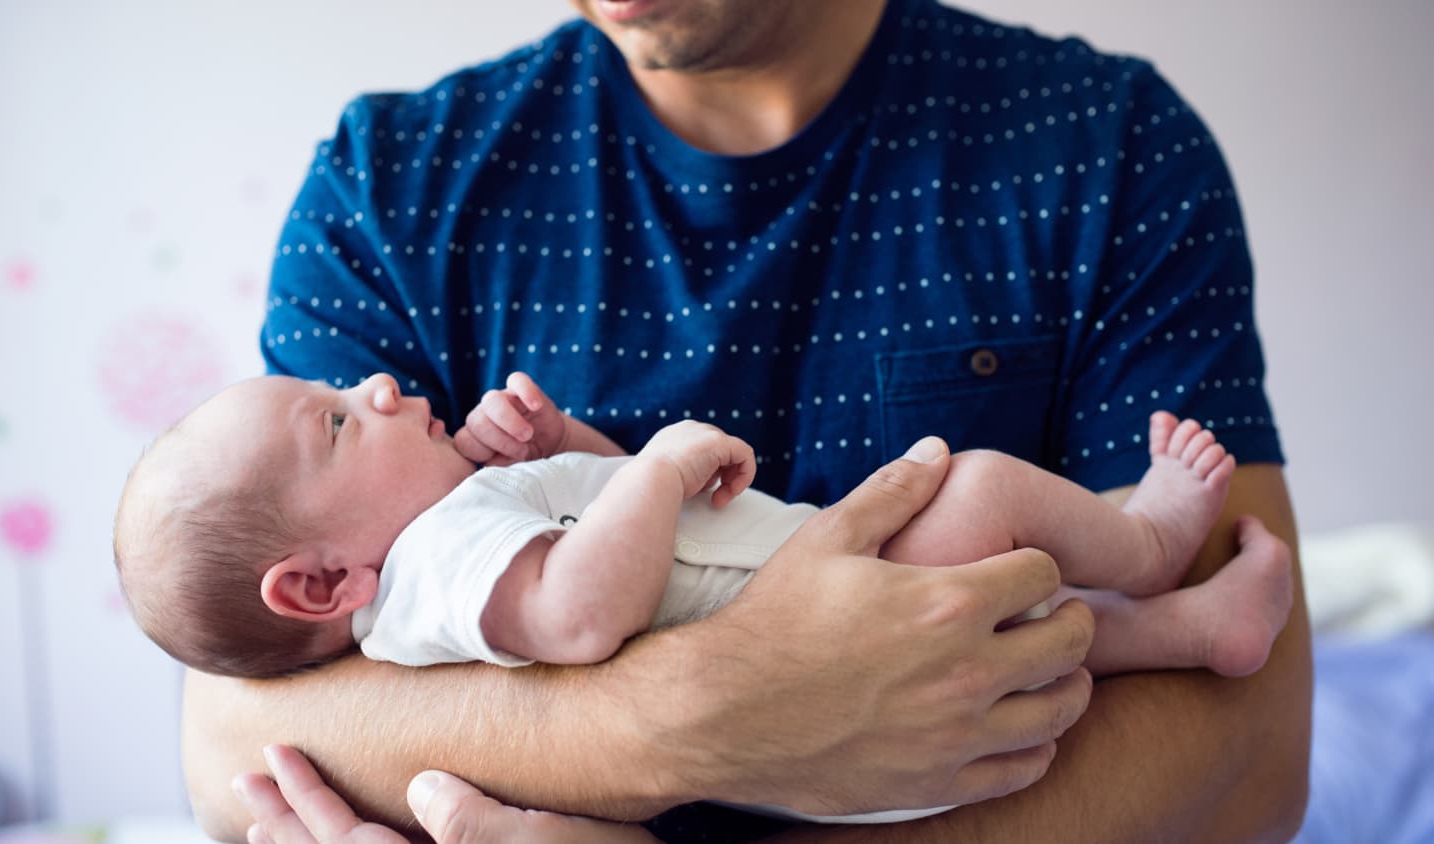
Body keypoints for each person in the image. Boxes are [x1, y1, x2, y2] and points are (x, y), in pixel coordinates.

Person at [183, 0, 1312, 841]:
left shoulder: (1104, 146)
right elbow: (235, 733)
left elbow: (1247, 750)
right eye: (338, 423)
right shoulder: (390, 186)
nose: (375, 412)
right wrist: (702, 718)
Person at [119, 369, 1287, 690]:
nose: (376, 385)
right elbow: (585, 613)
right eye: (332, 426)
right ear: (322, 585)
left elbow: (627, 541)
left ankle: (1190, 633)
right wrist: (669, 458)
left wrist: (563, 445)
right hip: (838, 644)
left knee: (1022, 621)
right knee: (977, 496)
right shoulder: (428, 570)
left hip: (852, 637)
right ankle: (1148, 543)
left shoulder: (452, 545)